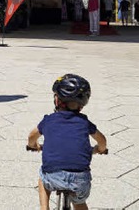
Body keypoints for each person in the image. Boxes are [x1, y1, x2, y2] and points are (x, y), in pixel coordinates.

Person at [27, 74, 107, 210]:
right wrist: (101, 149)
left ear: (57, 100)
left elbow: (32, 136)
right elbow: (102, 140)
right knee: (79, 202)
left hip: (53, 176)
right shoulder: (84, 122)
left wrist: (33, 145)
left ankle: (44, 207)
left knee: (42, 178)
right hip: (80, 180)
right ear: (81, 105)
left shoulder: (49, 120)